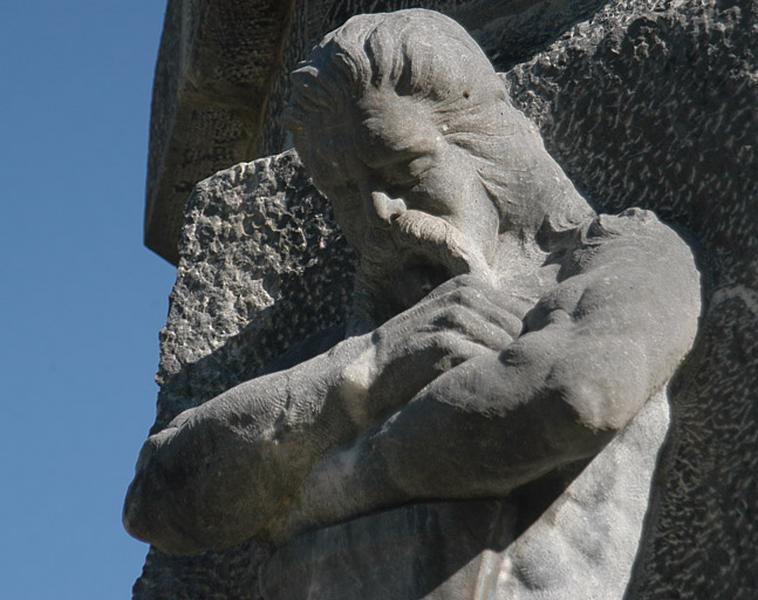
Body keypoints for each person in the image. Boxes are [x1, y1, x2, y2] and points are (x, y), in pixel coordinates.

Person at [124, 9, 700, 558]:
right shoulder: (365, 349)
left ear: (489, 145)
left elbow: (572, 401)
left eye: (404, 169)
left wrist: (296, 492)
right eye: (345, 193)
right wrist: (369, 372)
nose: (380, 213)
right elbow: (160, 501)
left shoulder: (619, 257)